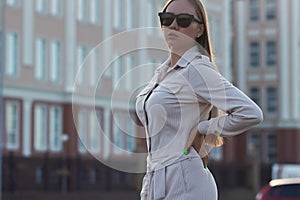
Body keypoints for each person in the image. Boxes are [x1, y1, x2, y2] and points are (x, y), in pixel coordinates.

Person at [135, 0, 263, 199]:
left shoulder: (198, 70)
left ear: (199, 30)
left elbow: (251, 113)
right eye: (167, 19)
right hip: (154, 181)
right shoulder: (162, 73)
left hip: (187, 183)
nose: (173, 26)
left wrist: (202, 129)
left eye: (184, 20)